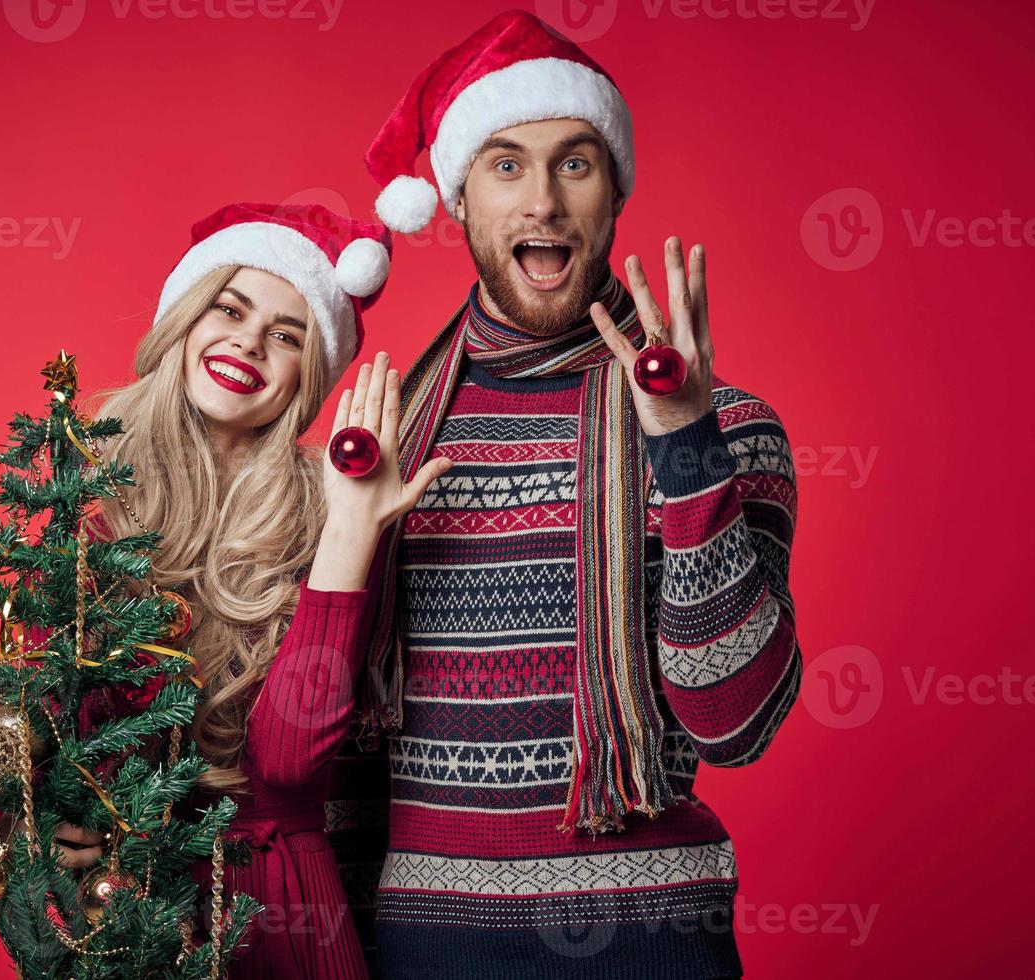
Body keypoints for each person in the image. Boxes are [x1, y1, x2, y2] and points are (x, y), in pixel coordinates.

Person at [334, 11, 805, 980]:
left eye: (575, 163)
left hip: (654, 944)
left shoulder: (732, 426)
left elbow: (737, 720)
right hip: (428, 946)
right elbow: (318, 727)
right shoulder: (382, 441)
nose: (542, 201)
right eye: (505, 165)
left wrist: (684, 446)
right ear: (458, 200)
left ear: (616, 189)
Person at [48, 201, 453, 979]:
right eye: (230, 309)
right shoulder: (86, 496)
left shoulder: (330, 508)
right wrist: (65, 820)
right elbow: (42, 725)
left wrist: (349, 531)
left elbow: (290, 763)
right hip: (124, 906)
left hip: (278, 907)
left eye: (287, 334)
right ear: (185, 321)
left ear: (309, 377)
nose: (248, 341)